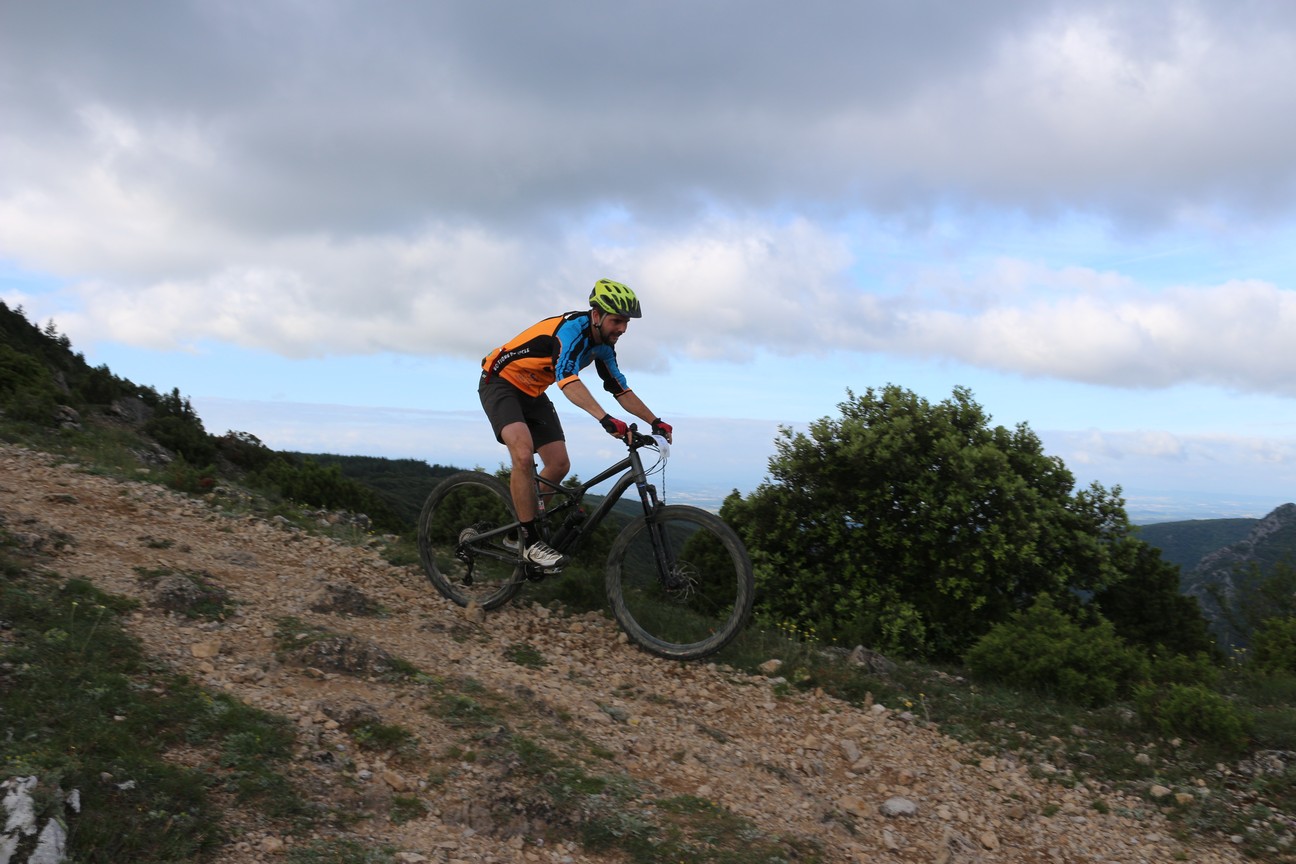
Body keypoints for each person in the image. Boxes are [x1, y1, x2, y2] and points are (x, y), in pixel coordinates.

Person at [478, 278, 674, 571]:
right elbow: (567, 380)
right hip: (500, 383)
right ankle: (530, 542)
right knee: (523, 455)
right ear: (596, 315)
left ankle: (517, 532)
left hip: (533, 392)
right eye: (617, 321)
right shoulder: (570, 332)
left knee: (559, 464)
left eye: (626, 323)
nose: (623, 328)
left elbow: (620, 389)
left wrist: (655, 421)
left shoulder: (604, 347)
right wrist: (605, 419)